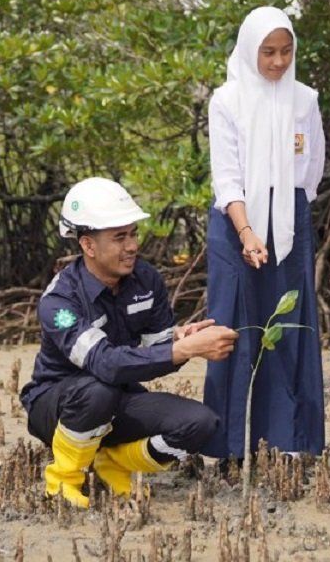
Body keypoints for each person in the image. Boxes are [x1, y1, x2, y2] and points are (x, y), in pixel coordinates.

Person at [22, 177, 239, 509]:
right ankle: (64, 481)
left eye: (133, 234)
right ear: (87, 245)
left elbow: (156, 349)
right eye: (119, 237)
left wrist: (180, 339)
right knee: (98, 389)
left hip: (116, 397)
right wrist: (183, 350)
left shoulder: (146, 279)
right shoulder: (59, 302)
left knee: (201, 424)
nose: (132, 246)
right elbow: (105, 364)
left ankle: (114, 464)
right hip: (57, 405)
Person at [201, 6, 326, 463]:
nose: (278, 62)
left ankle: (288, 440)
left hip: (289, 221)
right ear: (250, 50)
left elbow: (312, 169)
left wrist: (286, 215)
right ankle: (226, 446)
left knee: (289, 325)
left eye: (287, 52)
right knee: (233, 326)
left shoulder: (305, 100)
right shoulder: (227, 100)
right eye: (268, 52)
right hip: (237, 221)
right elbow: (227, 177)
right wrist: (249, 228)